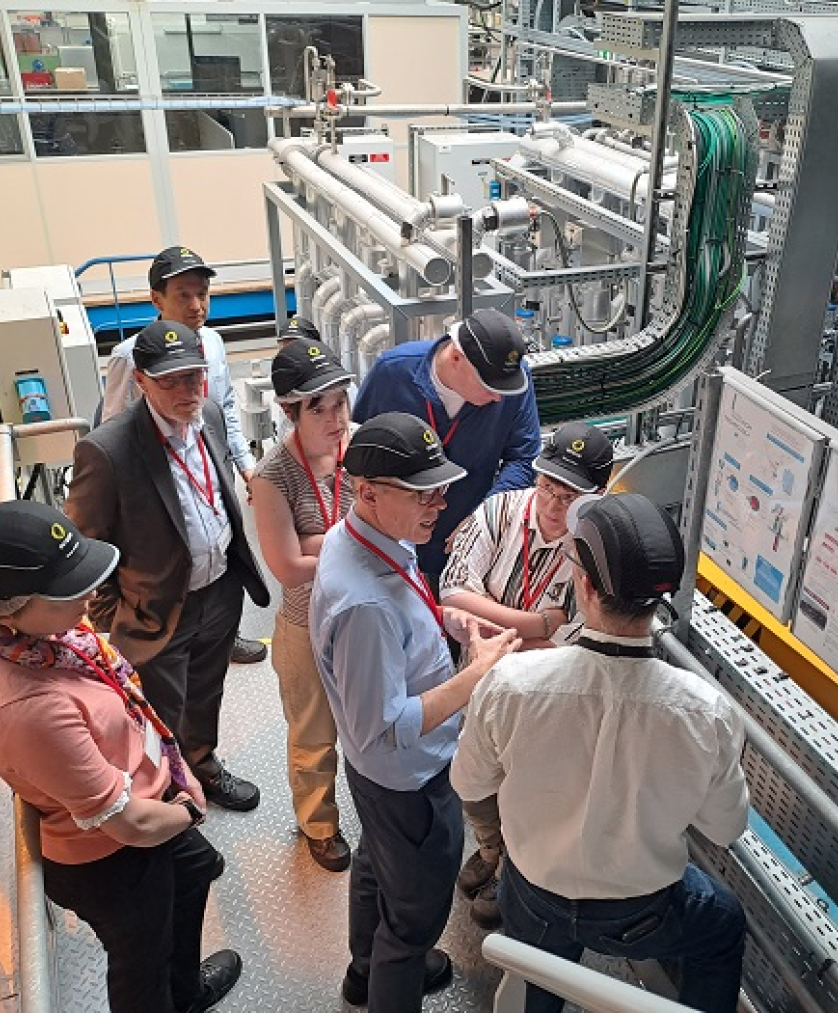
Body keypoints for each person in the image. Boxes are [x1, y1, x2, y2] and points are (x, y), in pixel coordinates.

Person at [451, 493, 750, 1013]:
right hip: (641, 916)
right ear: (661, 599)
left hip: (534, 896)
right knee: (722, 925)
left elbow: (469, 784)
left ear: (584, 587)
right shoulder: (707, 712)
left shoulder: (511, 684)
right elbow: (725, 830)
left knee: (535, 980)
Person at [0, 500, 241, 1013]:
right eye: (66, 588)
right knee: (139, 962)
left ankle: (185, 994)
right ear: (6, 606)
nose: (89, 593)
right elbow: (128, 825)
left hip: (150, 799)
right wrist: (191, 810)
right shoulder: (29, 707)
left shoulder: (40, 639)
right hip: (109, 856)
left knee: (195, 872)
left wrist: (175, 774)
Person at [310, 412, 520, 1013]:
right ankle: (393, 972)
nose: (439, 502)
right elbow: (391, 727)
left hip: (374, 778)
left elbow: (394, 632)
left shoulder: (357, 537)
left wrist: (445, 621)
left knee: (378, 866)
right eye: (422, 491)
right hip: (408, 780)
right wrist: (476, 675)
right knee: (415, 918)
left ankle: (363, 970)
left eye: (441, 486)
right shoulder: (366, 602)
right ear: (367, 491)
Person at [67, 320, 271, 812]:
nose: (187, 391)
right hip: (156, 610)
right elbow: (87, 549)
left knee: (207, 690)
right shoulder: (108, 450)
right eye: (171, 381)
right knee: (160, 712)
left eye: (195, 377)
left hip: (220, 590)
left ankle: (203, 765)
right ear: (140, 381)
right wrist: (116, 620)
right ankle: (169, 794)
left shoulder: (213, 419)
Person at [439, 421, 615, 927]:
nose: (553, 507)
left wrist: (492, 618)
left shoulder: (601, 548)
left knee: (530, 792)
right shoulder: (500, 509)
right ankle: (491, 851)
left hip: (546, 701)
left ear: (596, 496)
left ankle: (511, 871)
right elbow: (452, 592)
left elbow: (577, 642)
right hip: (477, 686)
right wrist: (535, 624)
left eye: (569, 497)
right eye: (547, 489)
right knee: (474, 784)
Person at [99, 245, 266, 665]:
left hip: (211, 464)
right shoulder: (129, 356)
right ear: (156, 299)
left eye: (203, 294)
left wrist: (246, 467)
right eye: (184, 296)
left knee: (219, 545)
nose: (197, 306)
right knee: (173, 556)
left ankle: (224, 635)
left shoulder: (213, 341)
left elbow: (224, 406)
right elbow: (113, 428)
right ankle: (165, 637)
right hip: (160, 478)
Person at [250, 331, 355, 872]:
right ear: (293, 411)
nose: (337, 419)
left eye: (341, 402)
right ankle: (319, 825)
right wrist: (353, 543)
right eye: (322, 409)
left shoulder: (358, 448)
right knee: (314, 735)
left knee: (369, 718)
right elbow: (287, 567)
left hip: (360, 616)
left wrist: (319, 540)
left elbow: (390, 529)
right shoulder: (272, 477)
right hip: (305, 623)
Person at [352, 308, 540, 585]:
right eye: (489, 386)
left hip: (465, 539)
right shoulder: (393, 371)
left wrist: (482, 519)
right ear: (455, 358)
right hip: (393, 538)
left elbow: (524, 458)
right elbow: (357, 452)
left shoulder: (512, 383)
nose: (499, 398)